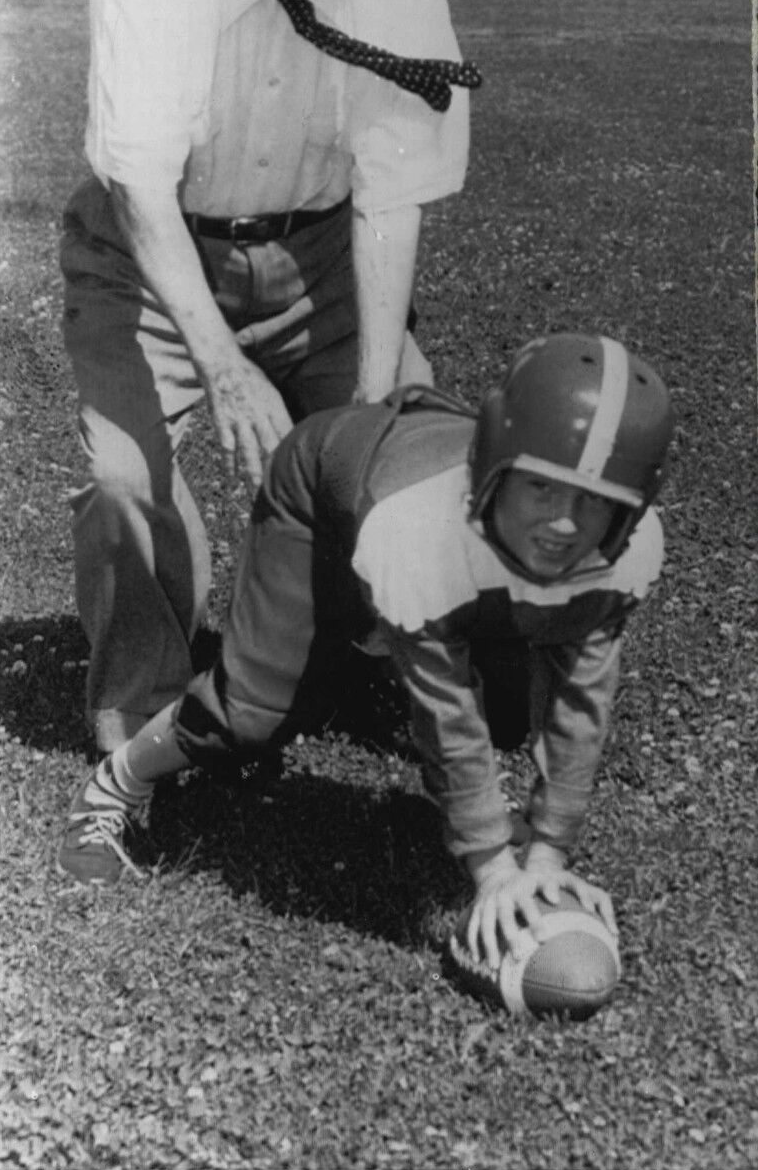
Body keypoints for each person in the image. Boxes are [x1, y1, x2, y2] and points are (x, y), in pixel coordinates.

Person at [60, 0, 480, 755]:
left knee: (407, 459)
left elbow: (389, 199)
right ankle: (144, 732)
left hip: (321, 255)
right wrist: (225, 366)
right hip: (149, 254)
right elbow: (143, 189)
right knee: (125, 488)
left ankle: (345, 651)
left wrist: (371, 407)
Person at [58, 333, 674, 975]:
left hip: (435, 506)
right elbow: (448, 715)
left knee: (514, 712)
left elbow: (579, 701)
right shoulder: (416, 526)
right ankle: (117, 782)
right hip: (323, 488)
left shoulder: (623, 551)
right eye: (543, 490)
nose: (566, 525)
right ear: (496, 465)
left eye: (596, 503)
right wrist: (493, 868)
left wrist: (548, 854)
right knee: (250, 714)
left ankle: (361, 646)